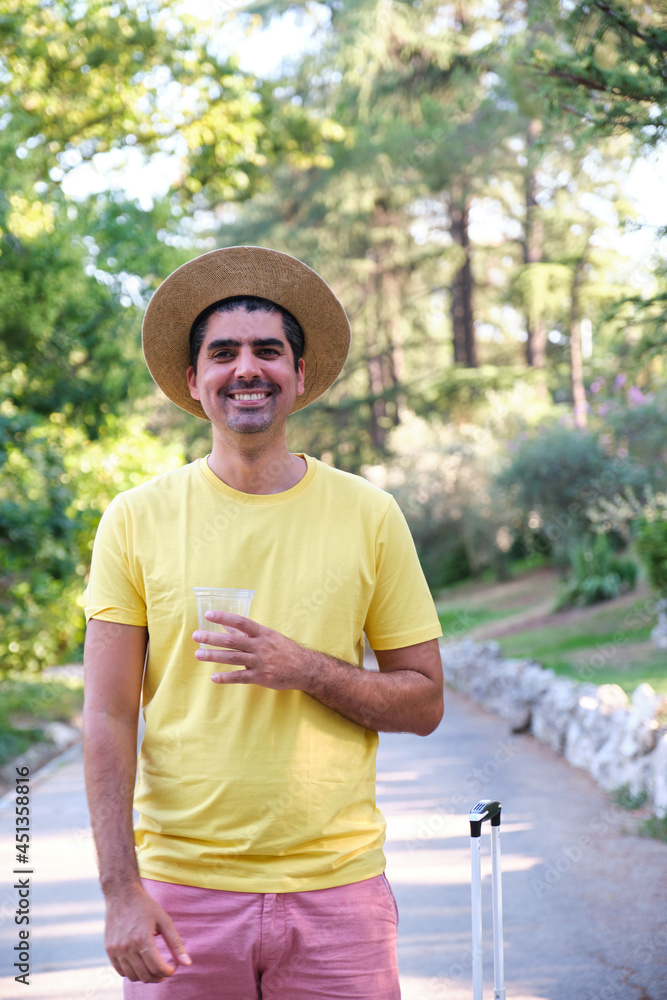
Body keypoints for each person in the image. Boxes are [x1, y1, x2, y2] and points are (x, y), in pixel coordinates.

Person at [83, 245, 444, 1000]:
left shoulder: (369, 515)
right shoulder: (135, 519)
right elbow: (108, 717)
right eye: (223, 353)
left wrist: (307, 669)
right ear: (193, 381)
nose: (246, 368)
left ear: (299, 375)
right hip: (180, 894)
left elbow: (424, 701)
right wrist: (121, 891)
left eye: (268, 351)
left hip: (338, 892)